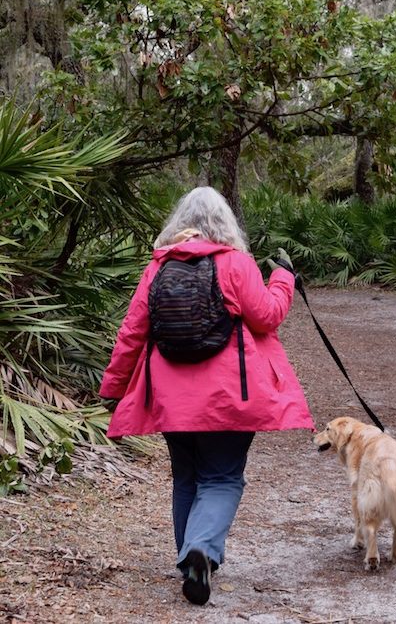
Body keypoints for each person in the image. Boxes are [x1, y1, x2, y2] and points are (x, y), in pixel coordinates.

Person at [99, 186, 314, 606]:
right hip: (228, 397)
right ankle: (201, 551)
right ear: (225, 222)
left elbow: (132, 333)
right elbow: (268, 316)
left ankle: (190, 560)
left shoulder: (158, 268)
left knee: (186, 477)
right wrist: (283, 277)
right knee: (221, 477)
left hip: (168, 397)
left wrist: (114, 387)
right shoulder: (236, 263)